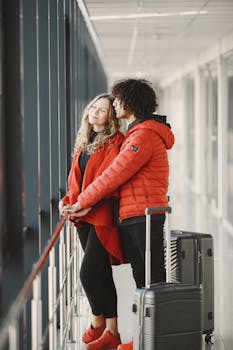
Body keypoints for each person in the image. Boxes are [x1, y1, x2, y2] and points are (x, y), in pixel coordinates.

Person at [63, 79, 175, 350]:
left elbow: (114, 175)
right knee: (144, 280)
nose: (113, 105)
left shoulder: (143, 135)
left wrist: (82, 202)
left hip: (143, 214)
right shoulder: (139, 132)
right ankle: (143, 339)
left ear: (129, 102)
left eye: (116, 101)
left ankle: (151, 340)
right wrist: (77, 201)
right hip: (136, 213)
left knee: (150, 280)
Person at [59, 93, 124, 350]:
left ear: (111, 117)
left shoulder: (115, 141)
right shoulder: (85, 142)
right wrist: (67, 201)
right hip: (81, 215)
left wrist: (86, 204)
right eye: (95, 106)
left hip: (100, 215)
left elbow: (107, 180)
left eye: (103, 109)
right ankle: (112, 332)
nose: (96, 111)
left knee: (87, 273)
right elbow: (77, 179)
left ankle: (98, 323)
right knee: (100, 272)